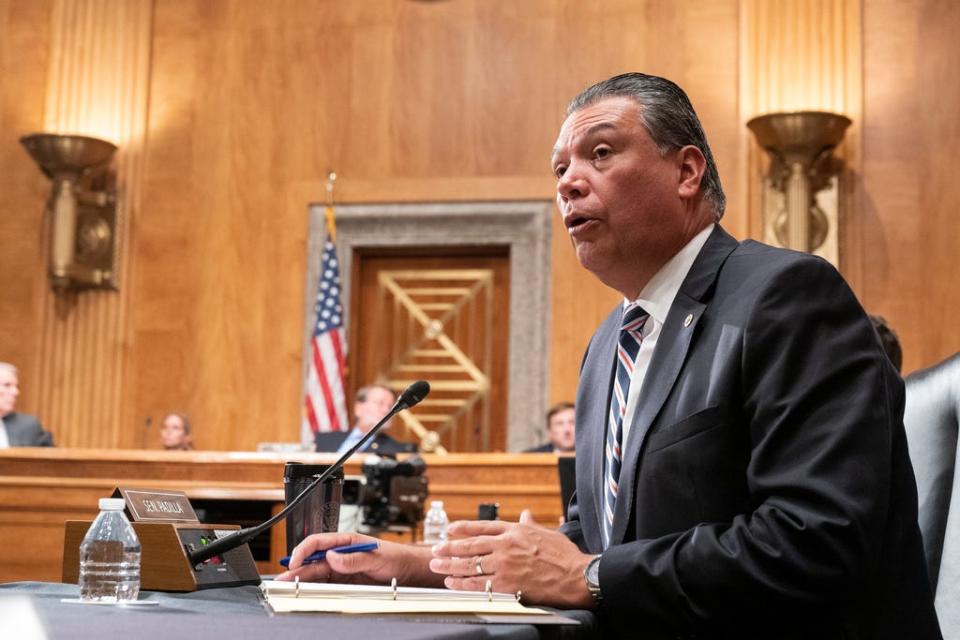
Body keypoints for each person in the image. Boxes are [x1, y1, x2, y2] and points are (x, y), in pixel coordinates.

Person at [278, 73, 940, 639]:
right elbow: (600, 537)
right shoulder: (608, 346)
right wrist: (423, 567)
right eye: (561, 169)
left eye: (599, 153)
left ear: (687, 171)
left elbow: (816, 540)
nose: (569, 184)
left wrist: (586, 576)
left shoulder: (785, 297)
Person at [314, 384, 415, 456]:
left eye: (390, 406)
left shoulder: (395, 450)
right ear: (358, 408)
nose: (385, 410)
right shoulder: (324, 440)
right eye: (380, 403)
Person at [0, 362, 54, 448]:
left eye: (16, 386)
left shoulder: (29, 425)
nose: (16, 392)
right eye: (7, 385)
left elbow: (51, 459)